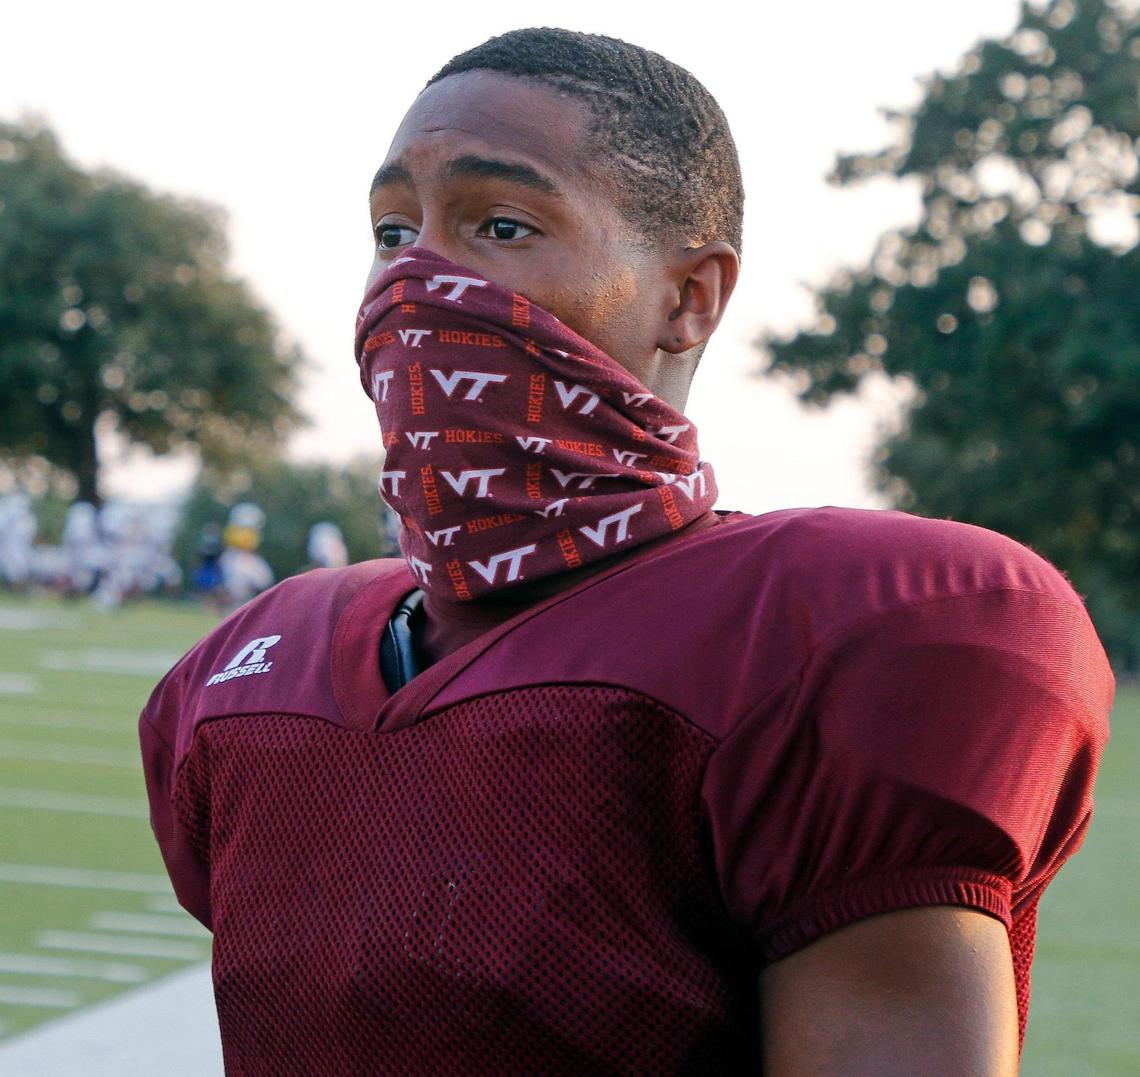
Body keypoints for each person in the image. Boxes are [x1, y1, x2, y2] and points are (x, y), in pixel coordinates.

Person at [139, 28, 1113, 1074]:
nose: (414, 280)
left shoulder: (830, 632)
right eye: (390, 232)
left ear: (688, 298)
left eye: (501, 225)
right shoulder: (250, 675)